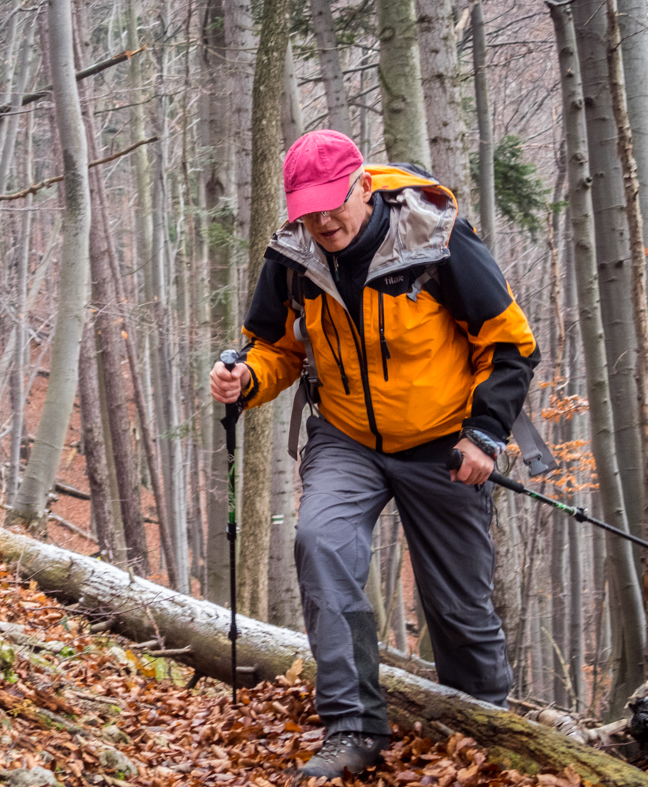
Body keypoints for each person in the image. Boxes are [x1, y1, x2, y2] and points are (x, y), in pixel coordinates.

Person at [210, 130, 539, 780]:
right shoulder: (293, 253)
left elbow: (511, 346)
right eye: (310, 208)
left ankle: (483, 728)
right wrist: (244, 378)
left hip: (444, 439)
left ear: (364, 186)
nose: (325, 220)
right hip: (347, 435)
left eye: (334, 203)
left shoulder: (433, 238)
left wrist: (483, 434)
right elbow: (275, 347)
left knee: (456, 607)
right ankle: (353, 726)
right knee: (319, 541)